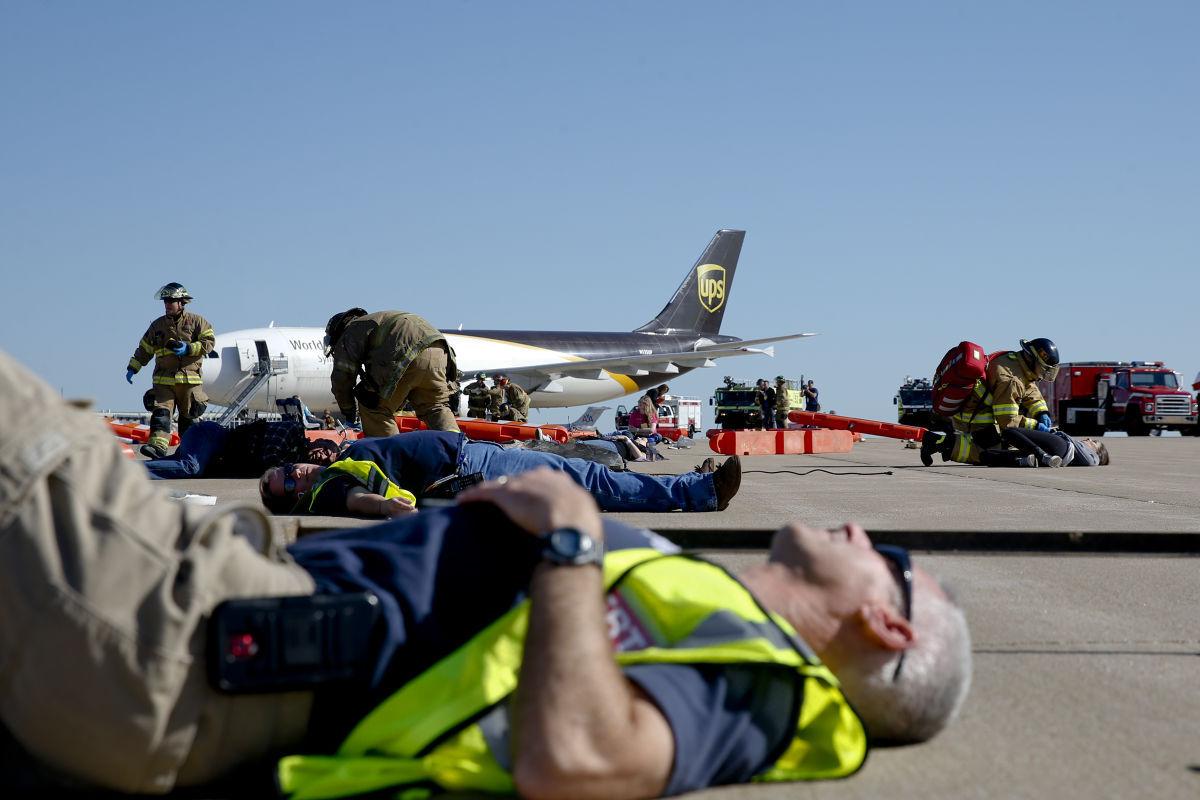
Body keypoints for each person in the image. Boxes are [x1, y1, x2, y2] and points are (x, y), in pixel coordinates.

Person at [0, 346, 971, 796]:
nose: (859, 525)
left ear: (886, 627)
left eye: (886, 559)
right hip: (203, 616)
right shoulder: (712, 620)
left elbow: (581, 760)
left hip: (186, 635)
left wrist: (570, 543)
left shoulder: (760, 691)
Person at [258, 430, 742, 516]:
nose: (298, 474)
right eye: (292, 486)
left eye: (287, 471)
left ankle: (697, 487)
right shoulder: (332, 489)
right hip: (472, 468)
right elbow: (357, 501)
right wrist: (385, 505)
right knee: (592, 483)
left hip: (476, 456)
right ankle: (700, 491)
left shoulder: (336, 463)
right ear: (299, 500)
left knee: (589, 478)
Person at [324, 308, 460, 438]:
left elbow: (341, 378)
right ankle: (456, 449)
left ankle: (391, 455)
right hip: (439, 351)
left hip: (407, 352)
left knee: (373, 407)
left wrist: (348, 411)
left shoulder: (351, 331)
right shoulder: (377, 321)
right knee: (435, 407)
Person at [921, 337, 1058, 466]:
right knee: (992, 454)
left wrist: (1041, 412)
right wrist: (1035, 426)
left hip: (979, 411)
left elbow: (1029, 388)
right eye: (1044, 369)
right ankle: (937, 442)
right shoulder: (1010, 381)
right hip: (975, 419)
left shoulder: (1015, 361)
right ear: (1032, 359)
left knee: (1008, 446)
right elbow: (1008, 422)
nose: (1044, 375)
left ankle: (940, 442)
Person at [125, 282, 216, 459]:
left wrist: (189, 348)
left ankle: (190, 450)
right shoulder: (157, 326)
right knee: (161, 413)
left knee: (188, 419)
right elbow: (144, 349)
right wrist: (133, 368)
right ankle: (157, 448)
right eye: (165, 301)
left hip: (190, 382)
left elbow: (209, 343)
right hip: (163, 381)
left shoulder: (198, 322)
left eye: (170, 301)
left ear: (181, 303)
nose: (167, 305)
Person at [140, 419, 339, 480]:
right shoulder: (292, 430)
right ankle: (126, 472)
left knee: (177, 467)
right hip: (211, 437)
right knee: (189, 468)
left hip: (211, 454)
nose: (322, 456)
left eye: (325, 461)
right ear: (318, 441)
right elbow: (269, 457)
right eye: (325, 450)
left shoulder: (292, 463)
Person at [980, 428, 1110, 468]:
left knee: (1008, 432)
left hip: (1060, 446)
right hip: (1053, 457)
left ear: (1096, 452)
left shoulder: (1093, 458)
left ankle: (1040, 454)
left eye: (1093, 442)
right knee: (986, 456)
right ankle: (1024, 461)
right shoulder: (1084, 455)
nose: (1088, 439)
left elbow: (1093, 461)